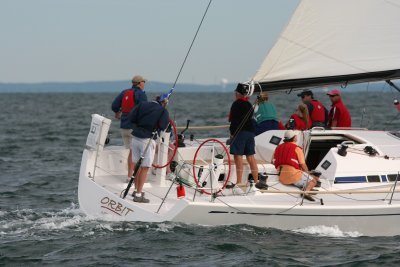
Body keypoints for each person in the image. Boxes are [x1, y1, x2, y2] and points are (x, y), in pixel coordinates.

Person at [127, 95, 170, 203]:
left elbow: (131, 117)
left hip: (135, 138)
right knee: (145, 167)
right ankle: (138, 195)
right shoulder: (163, 111)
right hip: (147, 140)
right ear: (163, 103)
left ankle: (136, 190)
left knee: (137, 165)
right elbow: (163, 126)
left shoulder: (142, 104)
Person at [111, 75, 148, 179]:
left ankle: (130, 175)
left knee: (131, 151)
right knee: (136, 153)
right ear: (140, 83)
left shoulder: (124, 92)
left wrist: (118, 112)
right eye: (144, 82)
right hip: (134, 128)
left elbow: (114, 106)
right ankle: (133, 177)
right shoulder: (141, 94)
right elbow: (144, 110)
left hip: (124, 128)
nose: (144, 84)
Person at [273, 130, 319, 201]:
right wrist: (308, 173)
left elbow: (272, 161)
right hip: (293, 176)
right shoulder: (297, 148)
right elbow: (303, 164)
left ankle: (305, 187)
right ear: (294, 138)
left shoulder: (278, 147)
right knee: (314, 180)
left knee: (308, 178)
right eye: (296, 135)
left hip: (282, 176)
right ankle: (306, 192)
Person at [228, 86, 260, 188]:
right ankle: (256, 180)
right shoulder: (249, 104)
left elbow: (234, 120)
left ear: (238, 93)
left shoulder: (236, 104)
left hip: (240, 132)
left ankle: (239, 181)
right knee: (250, 156)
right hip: (250, 132)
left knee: (238, 156)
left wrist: (232, 133)